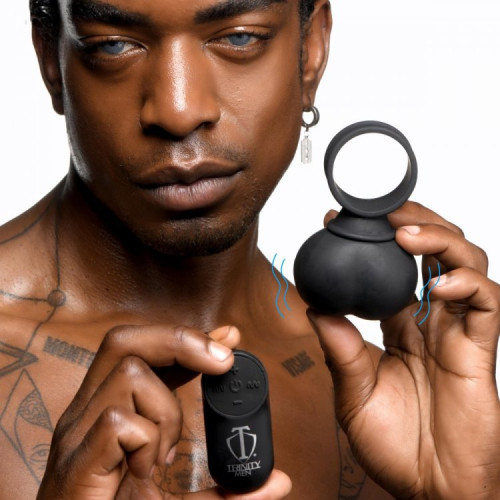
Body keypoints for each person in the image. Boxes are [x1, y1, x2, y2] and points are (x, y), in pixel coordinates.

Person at [0, 0, 498, 498]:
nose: (179, 111)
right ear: (50, 57)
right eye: (113, 45)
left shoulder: (386, 400)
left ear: (310, 51)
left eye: (239, 37)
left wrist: (463, 491)